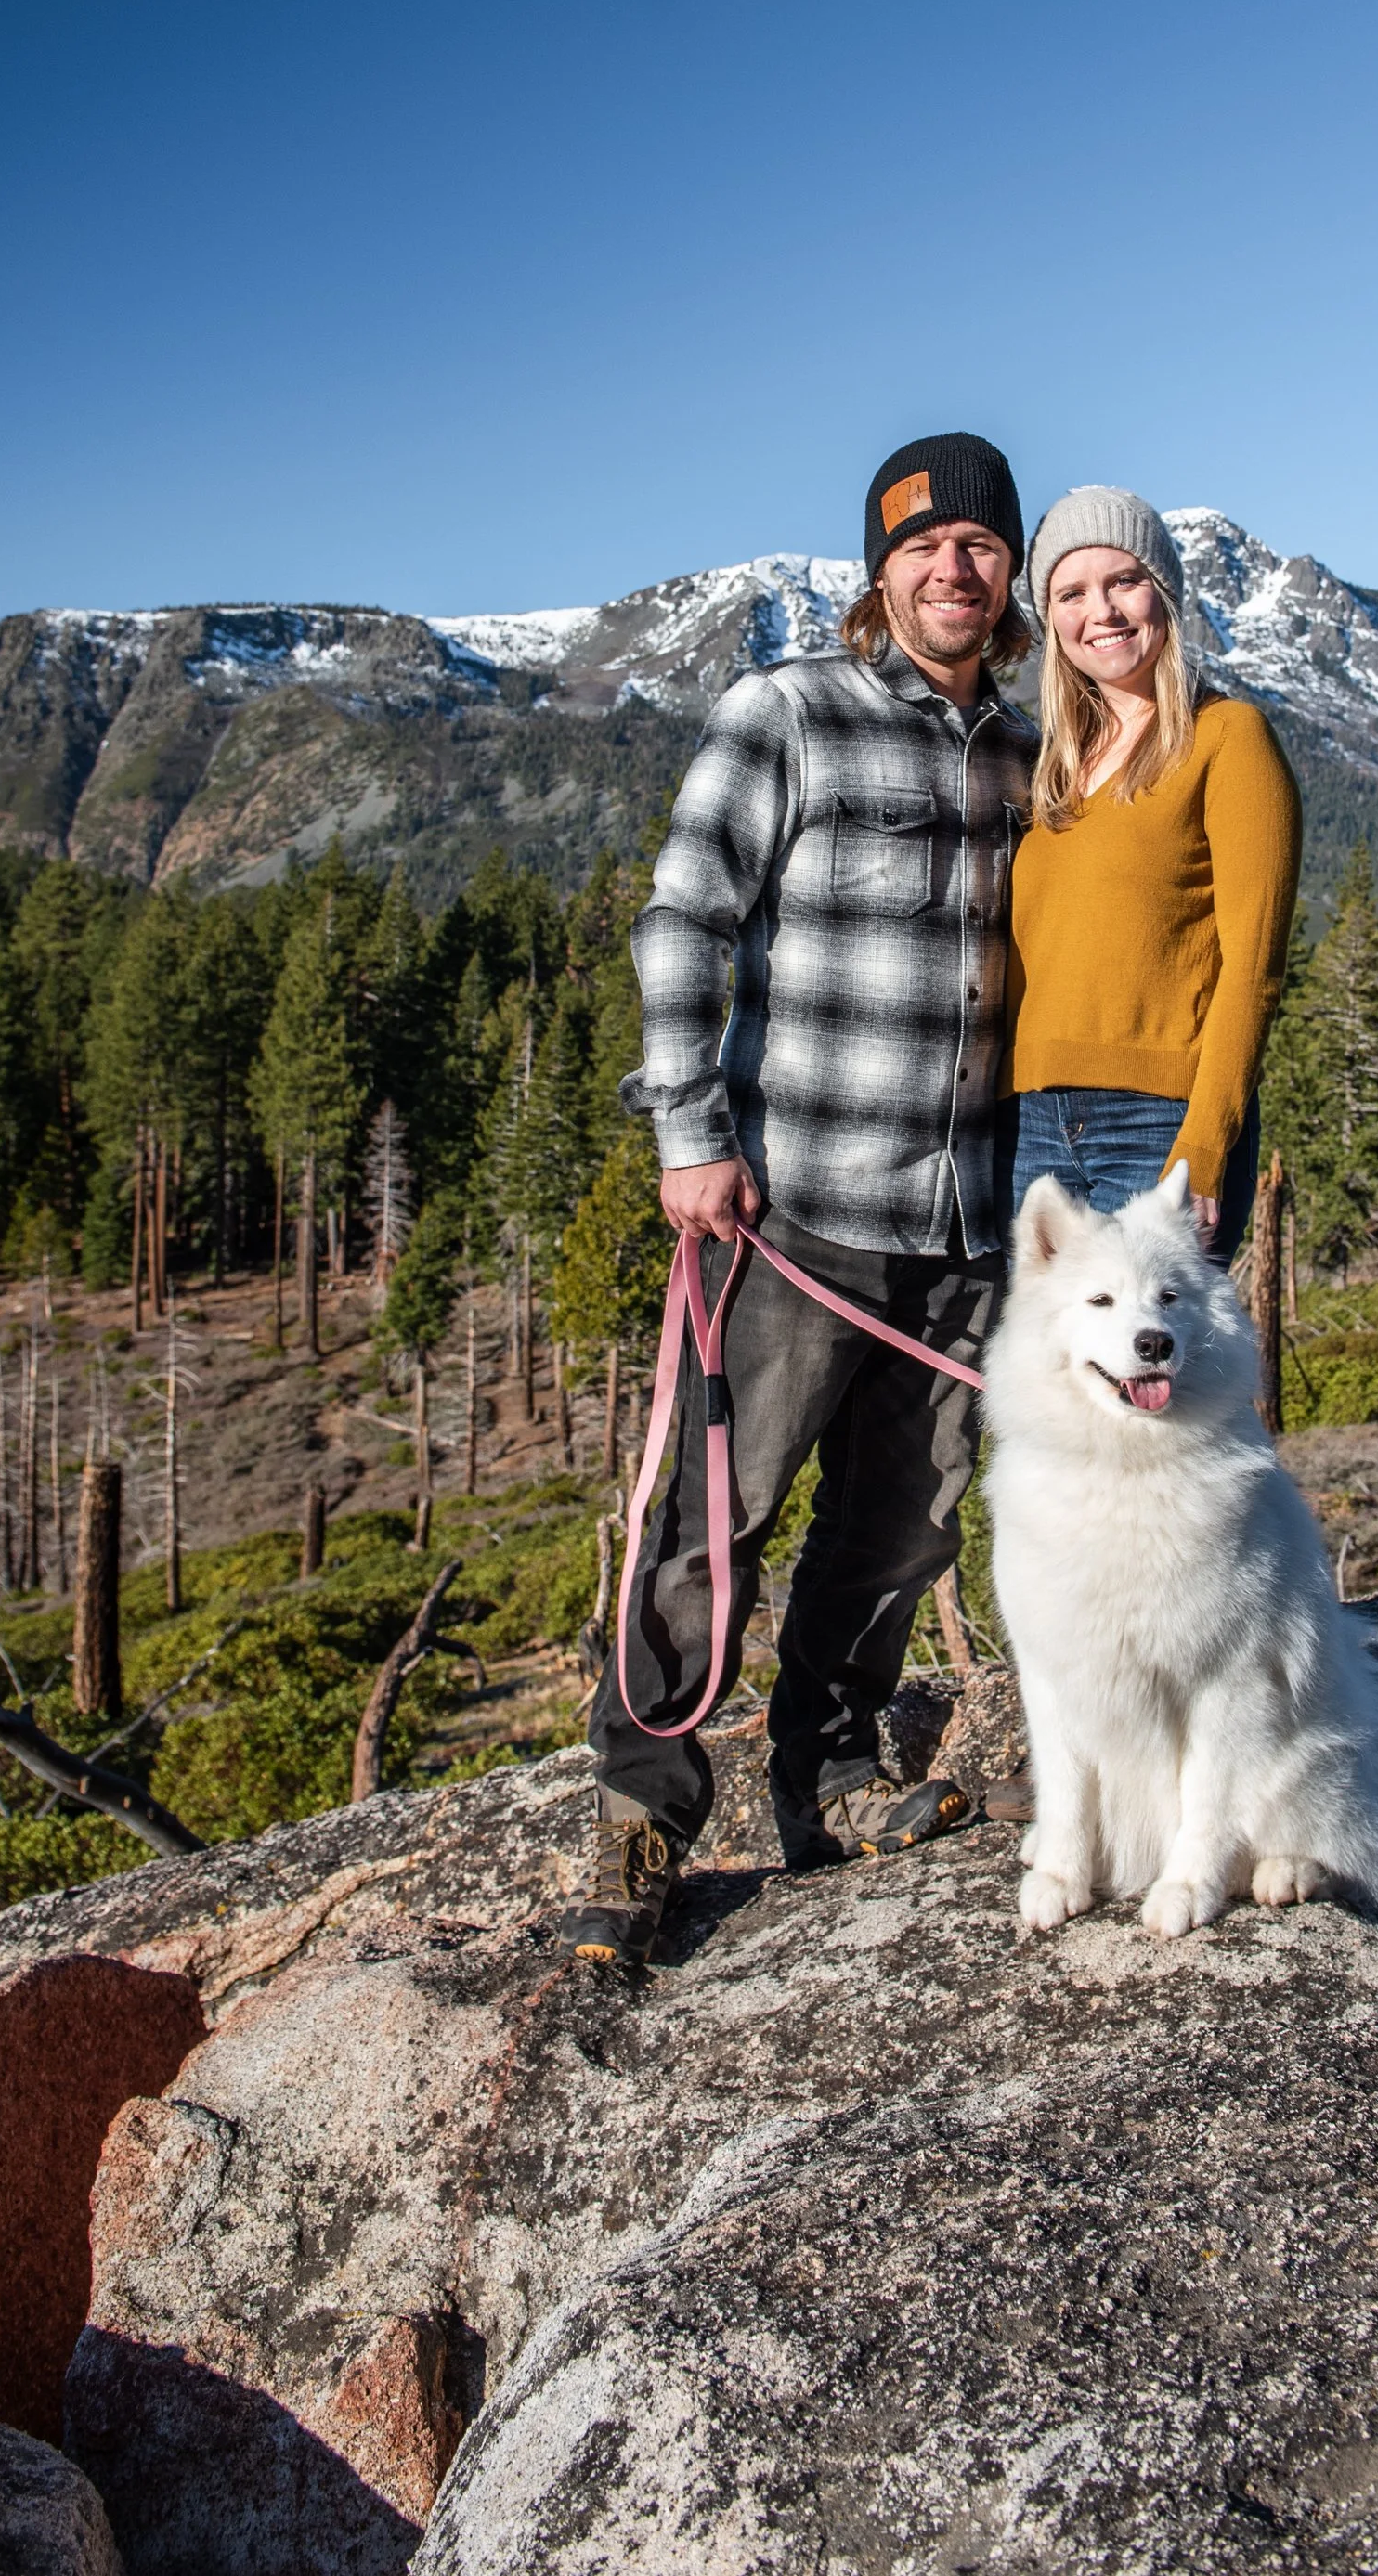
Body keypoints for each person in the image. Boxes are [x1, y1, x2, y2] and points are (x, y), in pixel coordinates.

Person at [564, 430, 1036, 1968]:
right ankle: (647, 1814)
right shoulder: (791, 714)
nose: (952, 568)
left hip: (962, 1226)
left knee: (897, 1534)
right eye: (923, 546)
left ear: (1008, 570)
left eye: (978, 545)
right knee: (715, 1518)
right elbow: (680, 924)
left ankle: (830, 1780)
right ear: (878, 571)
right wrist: (689, 1133)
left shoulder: (1033, 751)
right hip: (786, 1214)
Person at [1001, 487, 1300, 1268]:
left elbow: (1254, 969)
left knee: (1156, 1379)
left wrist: (1204, 1140)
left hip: (1159, 1121)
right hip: (1033, 1122)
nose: (1100, 609)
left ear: (1163, 593)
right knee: (1058, 1383)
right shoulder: (1054, 769)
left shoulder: (1228, 738)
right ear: (1051, 621)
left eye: (1123, 580)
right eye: (1071, 592)